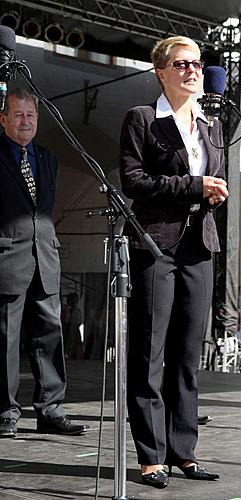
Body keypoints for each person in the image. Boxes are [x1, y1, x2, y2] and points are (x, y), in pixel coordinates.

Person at [119, 36, 228, 488]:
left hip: (198, 247)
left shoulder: (211, 126)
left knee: (186, 355)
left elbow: (213, 181)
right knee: (150, 353)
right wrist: (194, 186)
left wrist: (213, 192)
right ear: (161, 72)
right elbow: (133, 180)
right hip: (154, 245)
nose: (193, 71)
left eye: (198, 65)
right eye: (182, 65)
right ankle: (151, 455)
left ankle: (184, 451)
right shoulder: (142, 119)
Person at [0, 89, 89, 438]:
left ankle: (50, 409)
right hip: (7, 256)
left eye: (31, 115)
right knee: (6, 339)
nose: (25, 121)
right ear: (3, 119)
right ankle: (6, 412)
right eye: (18, 115)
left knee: (50, 335)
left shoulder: (48, 158)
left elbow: (44, 212)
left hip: (45, 257)